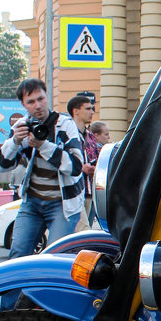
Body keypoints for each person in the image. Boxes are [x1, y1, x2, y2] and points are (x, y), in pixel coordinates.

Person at [0, 78, 84, 309]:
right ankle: (7, 316)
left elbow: (75, 166)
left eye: (41, 98)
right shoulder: (23, 127)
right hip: (33, 203)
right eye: (31, 101)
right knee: (17, 257)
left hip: (62, 205)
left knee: (55, 261)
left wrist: (43, 145)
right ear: (23, 105)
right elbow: (2, 165)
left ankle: (52, 316)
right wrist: (15, 140)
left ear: (48, 97)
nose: (38, 105)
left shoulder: (65, 124)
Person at [67, 93, 98, 224]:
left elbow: (96, 158)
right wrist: (81, 168)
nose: (92, 112)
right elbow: (61, 161)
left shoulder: (90, 135)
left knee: (87, 232)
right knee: (80, 233)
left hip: (90, 192)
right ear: (76, 111)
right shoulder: (66, 133)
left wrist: (94, 168)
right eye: (88, 108)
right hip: (75, 193)